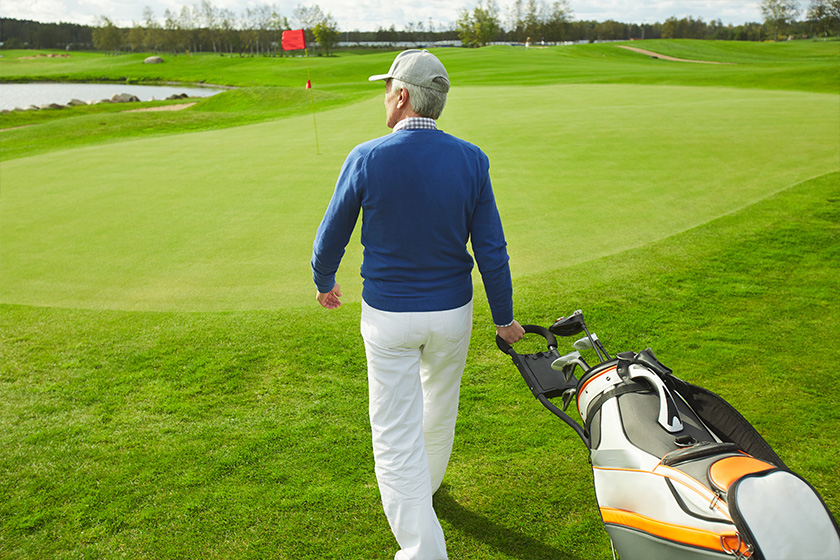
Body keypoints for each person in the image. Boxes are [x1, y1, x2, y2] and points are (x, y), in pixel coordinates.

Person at [311, 49, 525, 560]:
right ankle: (423, 493)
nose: (385, 97)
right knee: (437, 411)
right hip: (452, 316)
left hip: (389, 318)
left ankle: (422, 549)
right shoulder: (472, 159)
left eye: (388, 89)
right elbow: (491, 248)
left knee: (393, 432)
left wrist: (324, 280)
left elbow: (329, 237)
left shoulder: (367, 156)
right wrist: (504, 317)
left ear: (402, 96)